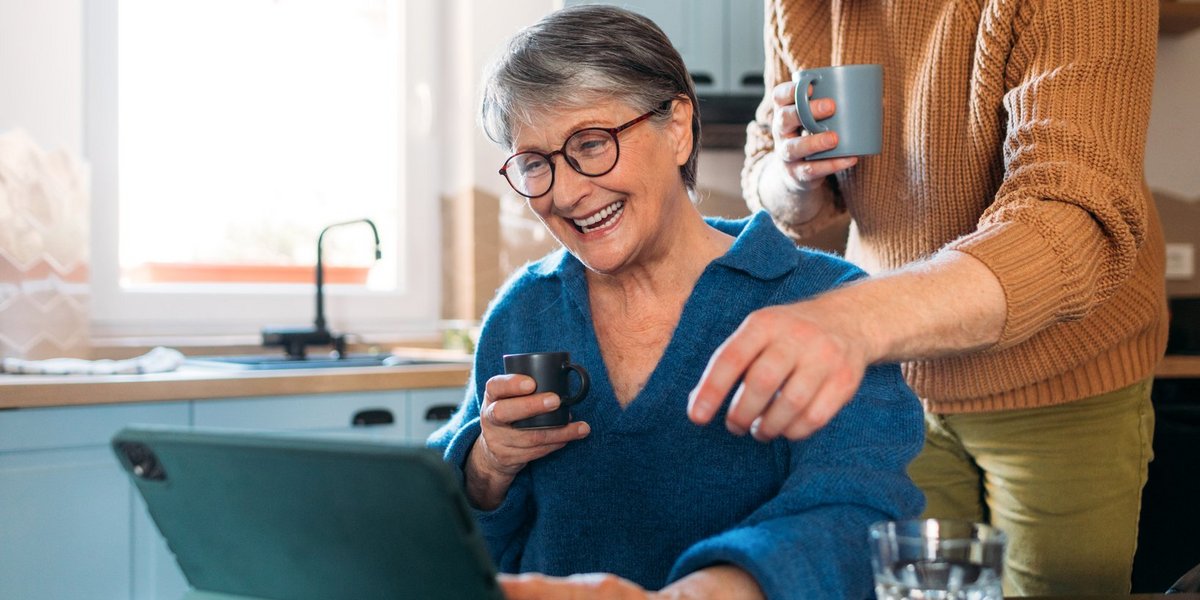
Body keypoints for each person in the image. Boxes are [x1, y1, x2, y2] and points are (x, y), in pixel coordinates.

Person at [428, 5, 925, 599]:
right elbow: (450, 539)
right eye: (536, 163)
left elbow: (858, 514)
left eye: (591, 142)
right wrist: (487, 465)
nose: (566, 192)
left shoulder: (824, 303)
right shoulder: (527, 309)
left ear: (678, 127)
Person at [686, 0, 1167, 595]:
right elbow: (767, 173)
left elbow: (1070, 214)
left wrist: (859, 319)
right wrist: (794, 175)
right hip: (897, 385)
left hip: (1063, 375)